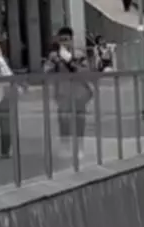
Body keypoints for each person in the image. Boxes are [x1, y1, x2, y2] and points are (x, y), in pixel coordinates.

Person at [43, 26, 94, 159]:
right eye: (62, 40)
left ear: (72, 40)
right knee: (64, 120)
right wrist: (54, 63)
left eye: (67, 39)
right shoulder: (54, 56)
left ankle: (80, 147)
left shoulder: (79, 55)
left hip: (79, 92)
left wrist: (71, 62)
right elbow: (46, 72)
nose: (64, 42)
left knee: (79, 120)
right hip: (63, 92)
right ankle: (65, 146)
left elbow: (85, 72)